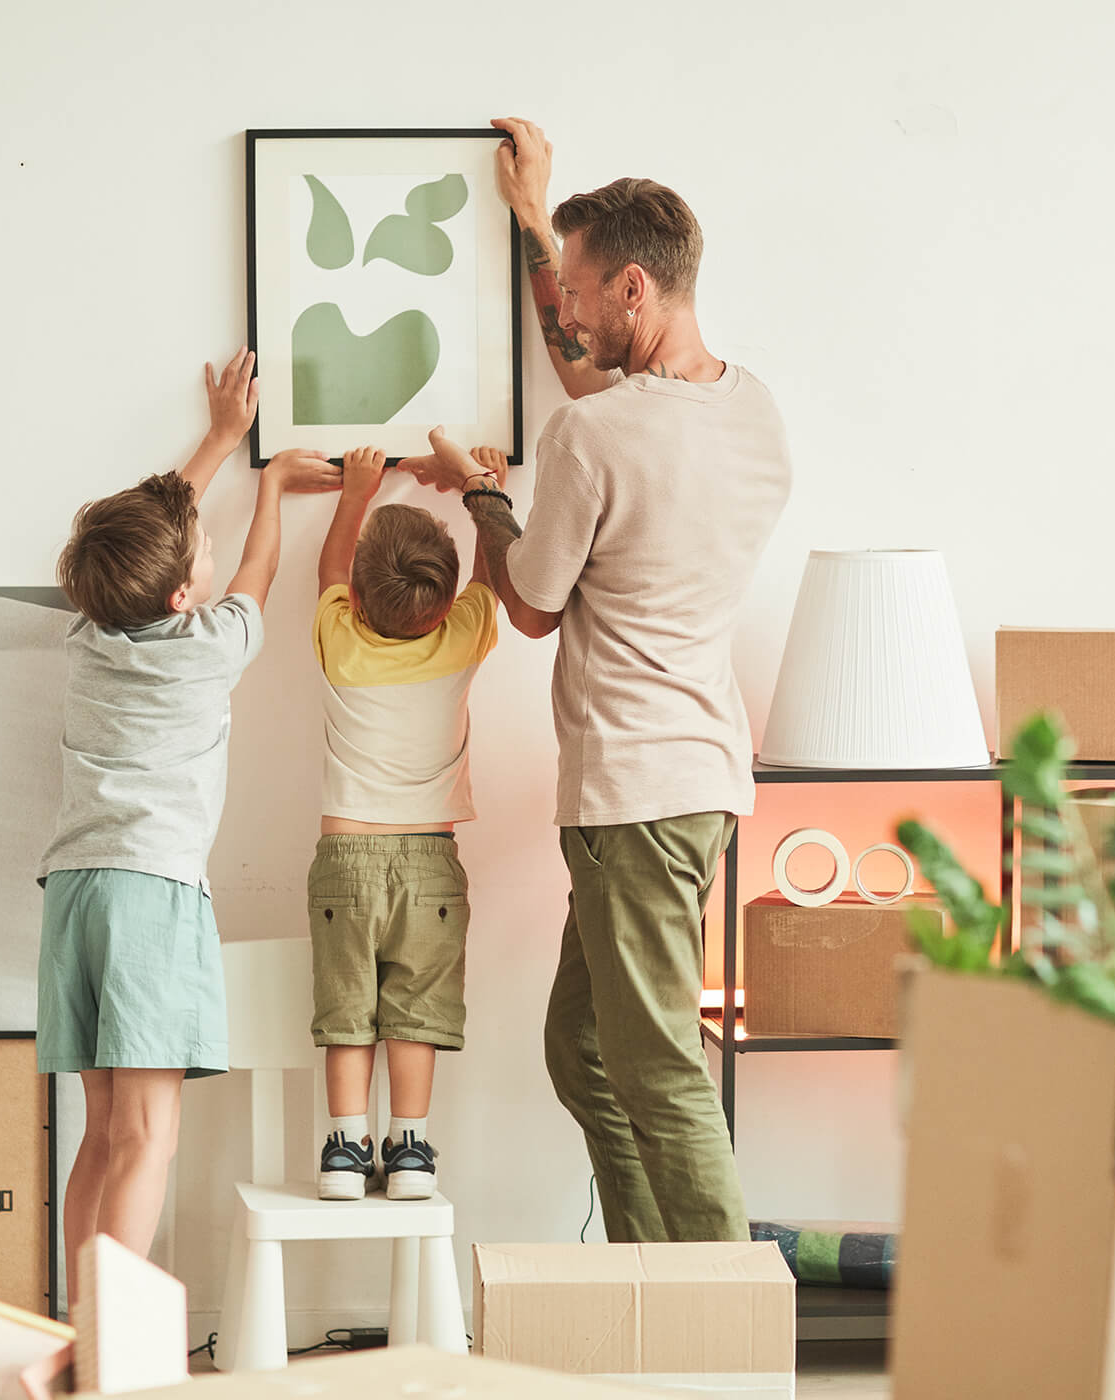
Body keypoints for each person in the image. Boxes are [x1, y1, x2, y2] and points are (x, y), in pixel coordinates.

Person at [411, 125, 793, 1242]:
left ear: (635, 285)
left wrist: (482, 494)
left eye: (579, 292)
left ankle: (727, 1335)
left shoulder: (592, 436)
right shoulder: (754, 410)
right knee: (582, 1047)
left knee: (659, 1066)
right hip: (699, 780)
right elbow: (603, 403)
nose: (566, 315)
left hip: (632, 792)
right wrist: (534, 225)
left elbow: (529, 604)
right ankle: (646, 1281)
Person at [36, 349, 339, 1290]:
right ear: (179, 597)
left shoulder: (86, 637)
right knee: (149, 1139)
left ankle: (78, 1328)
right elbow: (257, 567)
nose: (208, 547)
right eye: (193, 551)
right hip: (150, 895)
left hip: (74, 897)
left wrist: (219, 440)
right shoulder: (210, 647)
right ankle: (111, 1353)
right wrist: (275, 490)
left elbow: (167, 532)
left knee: (100, 1136)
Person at [306, 439, 508, 1200]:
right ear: (446, 601)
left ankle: (345, 1150)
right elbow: (490, 580)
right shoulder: (463, 638)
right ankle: (413, 1151)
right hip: (430, 861)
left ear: (358, 601)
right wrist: (483, 488)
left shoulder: (339, 640)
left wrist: (355, 494)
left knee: (347, 1009)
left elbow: (329, 571)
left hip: (345, 857)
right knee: (415, 1011)